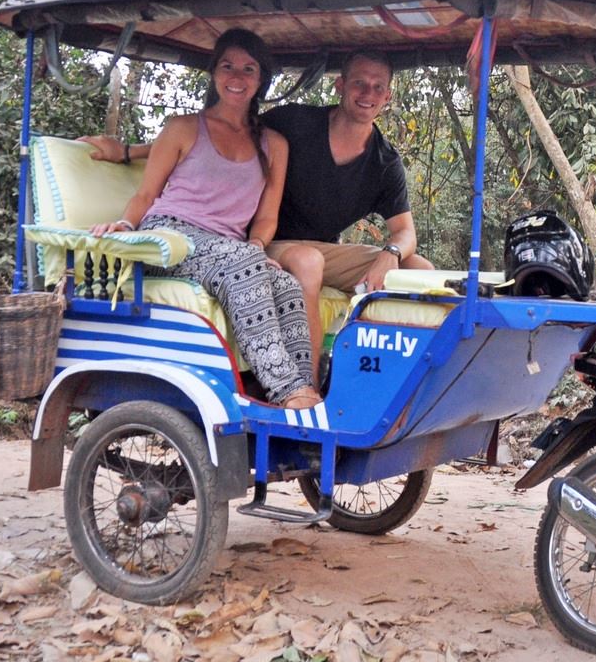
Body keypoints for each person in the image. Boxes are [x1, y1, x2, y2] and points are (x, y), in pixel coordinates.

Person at [84, 48, 432, 379]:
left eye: (377, 87)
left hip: (325, 249)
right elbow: (228, 135)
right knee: (309, 261)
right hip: (267, 242)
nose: (367, 93)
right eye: (359, 82)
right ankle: (308, 387)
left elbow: (405, 233)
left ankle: (385, 382)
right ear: (340, 85)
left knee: (420, 269)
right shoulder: (296, 122)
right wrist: (130, 151)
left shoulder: (385, 162)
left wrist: (390, 253)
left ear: (387, 97)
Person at [90, 29, 320, 409]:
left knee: (285, 282)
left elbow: (265, 218)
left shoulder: (273, 145)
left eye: (249, 69)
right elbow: (147, 194)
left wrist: (258, 247)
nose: (237, 77)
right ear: (214, 73)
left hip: (227, 248)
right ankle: (287, 390)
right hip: (169, 239)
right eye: (228, 66)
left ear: (260, 79)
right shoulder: (182, 127)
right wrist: (126, 227)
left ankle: (300, 390)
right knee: (245, 263)